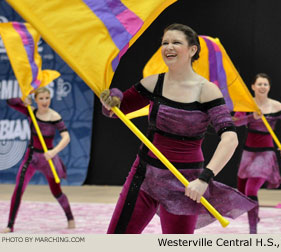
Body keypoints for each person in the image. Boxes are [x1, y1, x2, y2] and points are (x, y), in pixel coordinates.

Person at [100, 23, 256, 234]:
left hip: (186, 184)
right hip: (145, 176)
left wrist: (204, 179)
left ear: (192, 50)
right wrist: (112, 98)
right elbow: (115, 109)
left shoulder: (207, 91)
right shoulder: (152, 83)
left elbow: (230, 139)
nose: (168, 47)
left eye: (176, 42)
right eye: (165, 43)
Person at [233, 73, 281, 234]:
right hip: (248, 154)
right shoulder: (246, 104)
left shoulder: (276, 106)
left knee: (251, 191)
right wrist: (251, 117)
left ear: (269, 87)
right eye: (260, 84)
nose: (263, 87)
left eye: (266, 84)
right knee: (242, 193)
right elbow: (234, 123)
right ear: (253, 87)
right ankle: (254, 216)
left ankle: (253, 231)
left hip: (265, 154)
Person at [2, 87, 75, 233]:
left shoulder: (54, 116)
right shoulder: (31, 111)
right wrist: (22, 100)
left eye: (47, 98)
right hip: (31, 158)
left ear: (50, 99)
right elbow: (10, 102)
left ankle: (70, 217)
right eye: (41, 98)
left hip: (48, 159)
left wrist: (53, 152)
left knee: (56, 192)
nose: (44, 101)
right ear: (36, 100)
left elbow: (66, 137)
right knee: (19, 189)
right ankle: (10, 225)